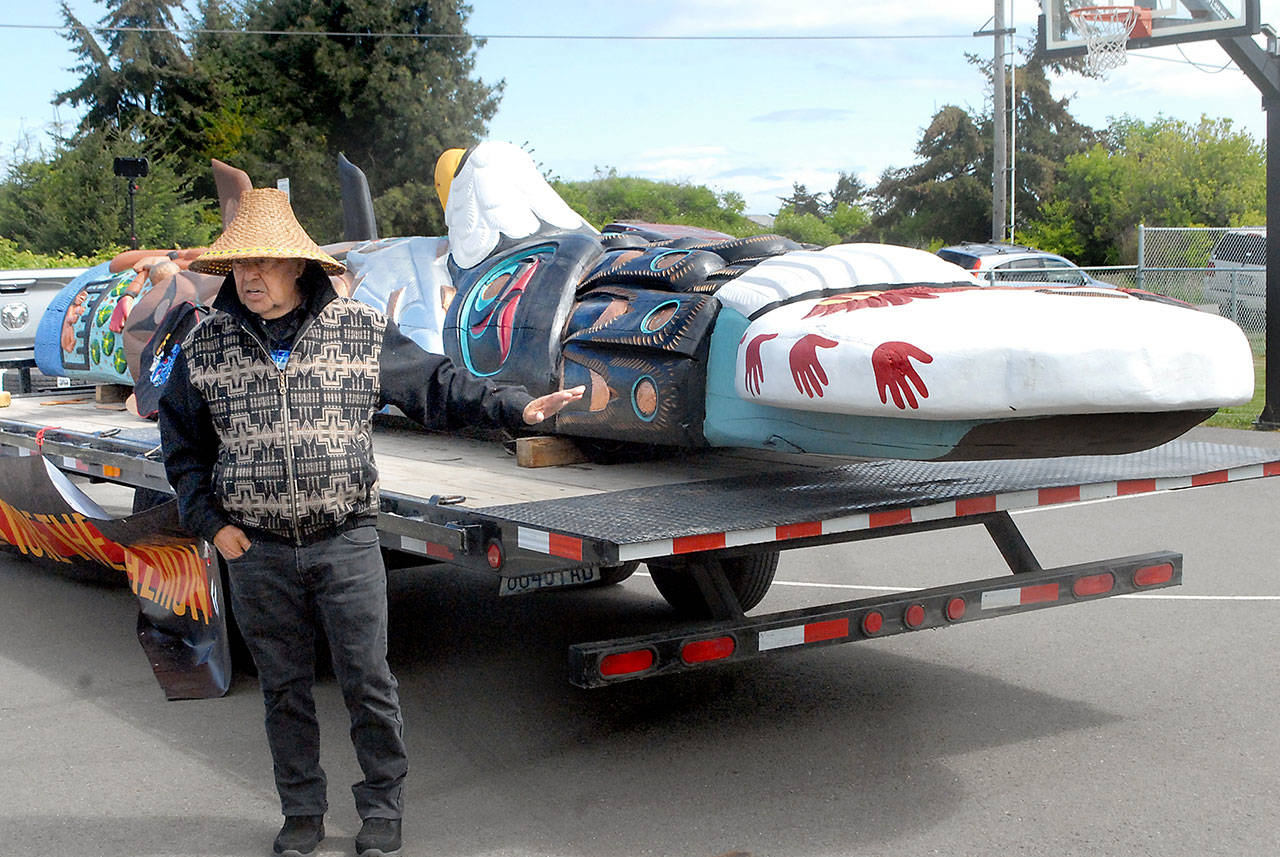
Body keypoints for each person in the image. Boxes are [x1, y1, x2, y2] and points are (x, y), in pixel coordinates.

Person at [158, 188, 581, 857]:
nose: (249, 276)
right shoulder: (205, 345)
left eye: (263, 262)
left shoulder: (358, 330)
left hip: (346, 540)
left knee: (368, 681)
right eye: (239, 264)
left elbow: (437, 386)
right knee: (283, 689)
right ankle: (302, 812)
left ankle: (382, 807)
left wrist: (515, 408)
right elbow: (182, 447)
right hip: (257, 551)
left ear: (298, 266)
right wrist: (212, 524)